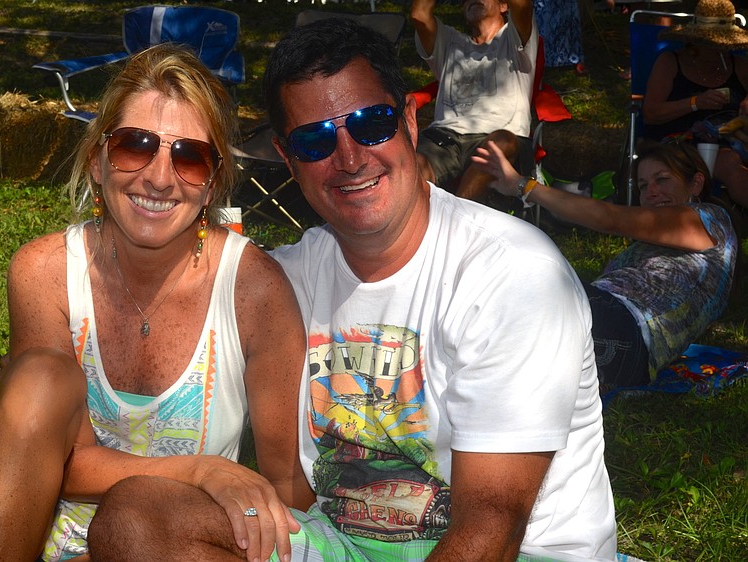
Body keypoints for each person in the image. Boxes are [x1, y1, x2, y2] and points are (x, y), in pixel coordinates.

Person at [87, 18, 617, 562]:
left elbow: (491, 530)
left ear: (410, 121)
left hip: (518, 552)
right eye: (315, 140)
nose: (349, 158)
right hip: (345, 546)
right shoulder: (282, 281)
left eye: (371, 124)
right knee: (138, 517)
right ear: (287, 158)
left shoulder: (512, 274)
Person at [0, 43, 313, 562]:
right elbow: (54, 460)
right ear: (97, 161)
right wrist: (200, 469)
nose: (159, 177)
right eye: (135, 145)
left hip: (145, 539)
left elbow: (285, 482)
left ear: (212, 183)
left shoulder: (255, 289)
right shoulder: (45, 272)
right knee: (41, 377)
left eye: (189, 156)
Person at [473, 139, 739, 390]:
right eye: (644, 185)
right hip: (615, 337)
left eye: (663, 180)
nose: (652, 192)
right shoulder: (654, 244)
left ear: (696, 184)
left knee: (507, 284)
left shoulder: (709, 219)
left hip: (627, 333)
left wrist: (524, 186)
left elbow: (611, 219)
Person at [410, 0, 538, 206]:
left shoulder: (514, 38)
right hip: (444, 139)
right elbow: (419, 15)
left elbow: (523, 5)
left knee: (501, 143)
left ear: (504, 6)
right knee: (410, 164)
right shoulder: (449, 41)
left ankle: (457, 222)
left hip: (499, 135)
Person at [642, 0, 748, 207]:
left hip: (732, 138)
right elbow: (651, 113)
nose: (720, 47)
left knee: (730, 158)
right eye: (713, 41)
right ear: (696, 40)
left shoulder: (739, 65)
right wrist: (695, 103)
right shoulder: (670, 62)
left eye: (724, 42)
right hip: (680, 141)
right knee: (729, 162)